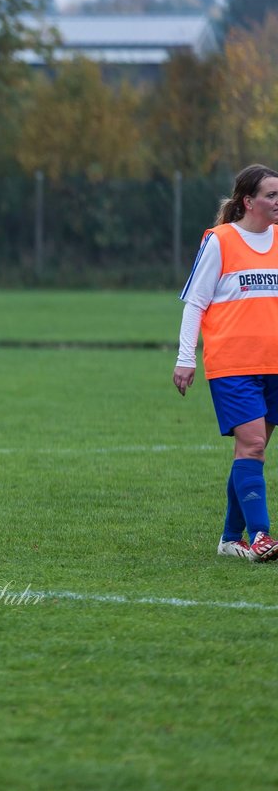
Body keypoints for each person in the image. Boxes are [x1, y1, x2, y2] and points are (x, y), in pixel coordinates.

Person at [174, 163, 278, 562]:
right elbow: (194, 304)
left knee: (248, 453)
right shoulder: (220, 241)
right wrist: (186, 358)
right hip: (233, 365)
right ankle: (261, 536)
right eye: (270, 195)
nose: (277, 201)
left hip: (274, 365)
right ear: (248, 202)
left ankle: (229, 538)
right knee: (252, 446)